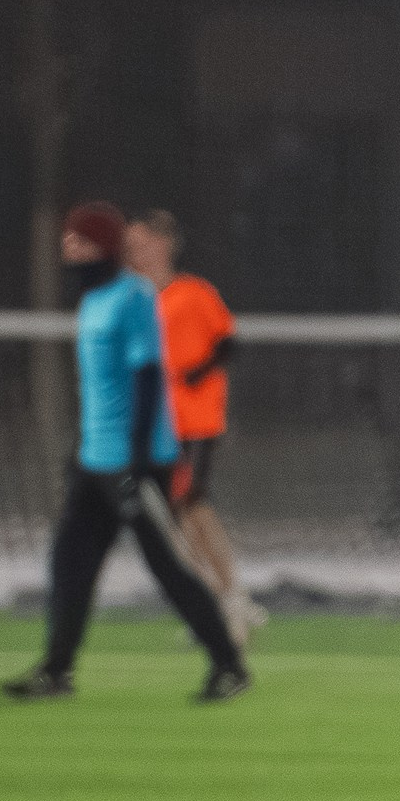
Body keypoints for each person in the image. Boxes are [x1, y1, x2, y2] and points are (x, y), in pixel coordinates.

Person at [0, 202, 250, 703]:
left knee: (168, 567)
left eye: (79, 239)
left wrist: (137, 460)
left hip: (136, 463)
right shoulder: (92, 300)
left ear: (102, 246)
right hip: (96, 462)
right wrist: (84, 451)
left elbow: (148, 377)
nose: (68, 246)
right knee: (70, 563)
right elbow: (100, 390)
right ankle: (57, 671)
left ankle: (229, 665)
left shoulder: (133, 297)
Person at [122, 209, 258, 647]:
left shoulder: (194, 292)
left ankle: (231, 598)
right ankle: (219, 600)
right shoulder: (132, 298)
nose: (133, 252)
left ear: (163, 245)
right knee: (177, 517)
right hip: (156, 424)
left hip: (195, 421)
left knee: (192, 503)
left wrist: (196, 373)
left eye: (141, 243)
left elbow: (227, 342)